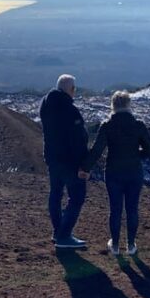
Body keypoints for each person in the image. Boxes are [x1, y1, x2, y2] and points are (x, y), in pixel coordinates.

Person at [80, 91, 150, 256]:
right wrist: (136, 156)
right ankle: (131, 245)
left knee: (115, 210)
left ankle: (114, 245)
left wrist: (84, 168)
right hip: (134, 172)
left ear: (113, 106)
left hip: (113, 173)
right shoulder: (139, 125)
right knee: (132, 209)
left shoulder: (107, 126)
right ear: (129, 105)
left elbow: (97, 150)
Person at [40, 74, 90, 249]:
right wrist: (84, 165)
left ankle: (57, 231)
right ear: (71, 89)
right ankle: (64, 235)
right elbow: (78, 139)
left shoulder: (46, 104)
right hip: (70, 162)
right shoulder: (69, 110)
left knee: (55, 193)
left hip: (53, 159)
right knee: (77, 196)